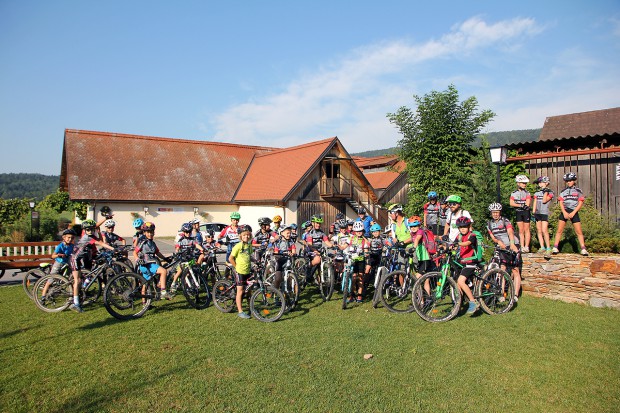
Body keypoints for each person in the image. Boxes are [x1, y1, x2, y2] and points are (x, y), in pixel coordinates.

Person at [69, 220, 116, 312]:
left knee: (89, 274)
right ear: (85, 230)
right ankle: (76, 303)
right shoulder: (87, 237)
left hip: (84, 257)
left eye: (91, 229)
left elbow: (101, 241)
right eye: (88, 229)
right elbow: (101, 243)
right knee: (77, 280)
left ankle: (82, 289)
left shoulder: (92, 236)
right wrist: (114, 249)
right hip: (75, 258)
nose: (90, 231)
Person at [486, 203, 522, 301]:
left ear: (500, 212)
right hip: (502, 247)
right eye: (493, 213)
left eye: (497, 212)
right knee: (502, 269)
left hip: (512, 245)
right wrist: (498, 242)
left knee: (515, 270)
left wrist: (512, 244)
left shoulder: (505, 220)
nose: (495, 214)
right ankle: (501, 293)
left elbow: (510, 232)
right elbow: (493, 237)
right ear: (491, 213)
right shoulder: (489, 224)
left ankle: (515, 295)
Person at [552, 172, 588, 256]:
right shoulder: (563, 191)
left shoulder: (578, 191)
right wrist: (564, 212)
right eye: (567, 181)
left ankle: (583, 249)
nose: (569, 182)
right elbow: (561, 202)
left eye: (571, 180)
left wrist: (574, 212)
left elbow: (580, 203)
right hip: (565, 211)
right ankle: (555, 247)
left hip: (574, 211)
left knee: (578, 231)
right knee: (559, 231)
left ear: (574, 181)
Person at [134, 222, 169, 300]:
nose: (150, 234)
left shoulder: (152, 243)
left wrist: (165, 258)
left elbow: (157, 252)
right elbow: (134, 252)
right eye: (148, 232)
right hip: (147, 264)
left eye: (152, 232)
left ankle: (144, 304)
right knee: (163, 271)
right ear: (144, 232)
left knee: (145, 284)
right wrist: (137, 259)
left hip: (147, 266)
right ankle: (163, 292)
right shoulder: (142, 242)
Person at [454, 216, 482, 315]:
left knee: (460, 281)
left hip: (471, 263)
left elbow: (468, 243)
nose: (462, 229)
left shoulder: (472, 235)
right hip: (463, 263)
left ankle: (473, 301)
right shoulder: (459, 236)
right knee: (458, 284)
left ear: (469, 226)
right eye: (460, 227)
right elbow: (453, 244)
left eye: (465, 227)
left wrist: (459, 244)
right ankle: (459, 305)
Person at [40, 229, 76, 302]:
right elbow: (53, 256)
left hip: (67, 264)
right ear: (64, 238)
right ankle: (43, 296)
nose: (70, 239)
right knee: (51, 279)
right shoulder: (61, 246)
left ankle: (71, 294)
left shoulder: (72, 246)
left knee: (71, 278)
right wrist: (58, 255)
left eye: (72, 238)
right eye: (68, 237)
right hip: (59, 263)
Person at [170, 223, 205, 294]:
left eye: (189, 232)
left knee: (193, 270)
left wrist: (202, 249)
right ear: (183, 232)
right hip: (183, 259)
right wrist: (177, 251)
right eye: (186, 232)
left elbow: (196, 244)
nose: (188, 234)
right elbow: (177, 247)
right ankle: (173, 283)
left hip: (190, 258)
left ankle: (192, 284)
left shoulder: (192, 239)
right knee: (180, 270)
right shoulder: (181, 240)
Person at [228, 225, 253, 319]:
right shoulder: (238, 246)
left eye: (248, 235)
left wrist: (256, 261)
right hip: (240, 272)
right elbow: (230, 258)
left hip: (247, 271)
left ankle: (251, 307)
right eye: (244, 235)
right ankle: (240, 311)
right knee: (240, 291)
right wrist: (236, 267)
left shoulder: (249, 245)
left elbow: (249, 256)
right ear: (240, 236)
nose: (246, 237)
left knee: (249, 290)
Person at [302, 215, 334, 284]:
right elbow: (310, 245)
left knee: (322, 263)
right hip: (310, 250)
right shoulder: (310, 233)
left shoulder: (321, 233)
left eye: (319, 223)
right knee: (317, 260)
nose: (318, 225)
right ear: (313, 223)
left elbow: (327, 242)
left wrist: (333, 246)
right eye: (316, 223)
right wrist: (315, 251)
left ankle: (321, 285)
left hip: (319, 251)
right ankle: (307, 266)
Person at [532, 176, 554, 257]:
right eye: (539, 183)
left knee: (545, 230)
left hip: (544, 212)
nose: (539, 184)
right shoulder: (537, 193)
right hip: (538, 213)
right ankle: (542, 247)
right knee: (539, 230)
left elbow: (544, 200)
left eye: (541, 182)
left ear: (546, 183)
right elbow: (535, 202)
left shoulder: (550, 192)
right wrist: (533, 211)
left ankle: (548, 248)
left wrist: (546, 192)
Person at [347, 221, 369, 303]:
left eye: (360, 231)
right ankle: (352, 295)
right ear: (354, 231)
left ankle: (359, 295)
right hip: (353, 260)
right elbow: (345, 246)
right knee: (353, 278)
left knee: (360, 277)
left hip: (361, 261)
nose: (359, 233)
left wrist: (366, 253)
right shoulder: (351, 238)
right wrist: (338, 246)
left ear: (363, 231)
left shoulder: (364, 240)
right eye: (357, 231)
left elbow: (366, 250)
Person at [510, 175, 532, 253]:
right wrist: (520, 205)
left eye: (525, 183)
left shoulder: (527, 192)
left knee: (527, 229)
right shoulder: (514, 193)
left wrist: (525, 205)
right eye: (523, 183)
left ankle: (527, 246)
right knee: (521, 230)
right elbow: (511, 203)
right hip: (518, 212)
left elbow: (528, 202)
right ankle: (522, 246)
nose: (524, 185)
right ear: (518, 183)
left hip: (526, 212)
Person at [272, 224, 296, 290]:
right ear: (281, 233)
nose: (289, 234)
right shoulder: (278, 242)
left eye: (290, 233)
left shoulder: (291, 241)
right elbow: (276, 252)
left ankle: (290, 291)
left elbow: (293, 250)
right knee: (278, 278)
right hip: (279, 260)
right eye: (287, 233)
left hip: (288, 260)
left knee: (291, 276)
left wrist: (293, 253)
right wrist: (282, 252)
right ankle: (275, 292)